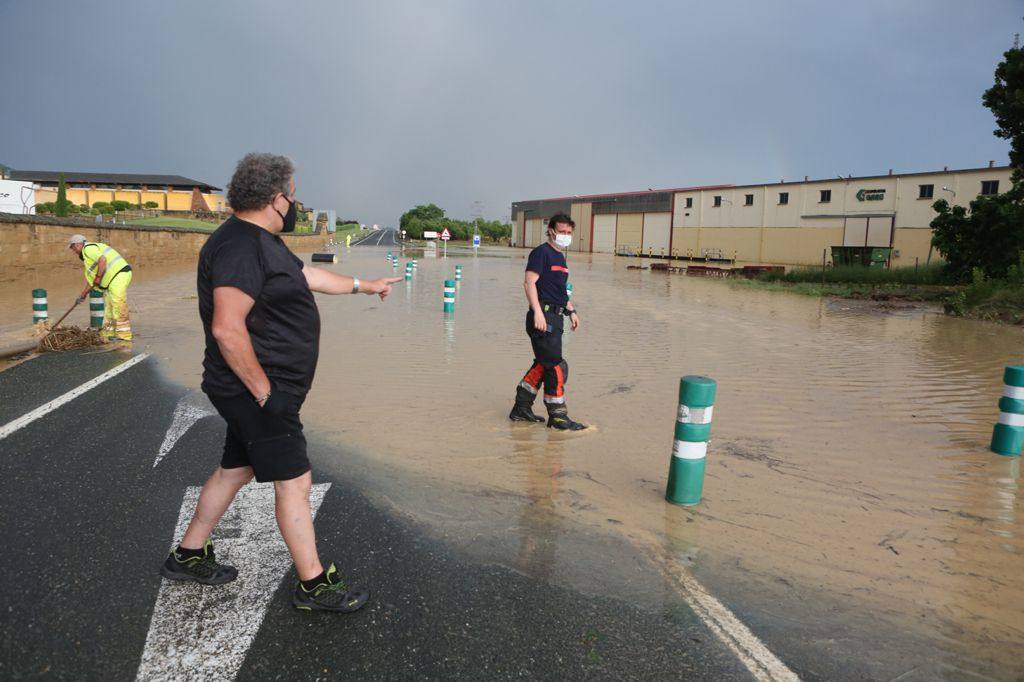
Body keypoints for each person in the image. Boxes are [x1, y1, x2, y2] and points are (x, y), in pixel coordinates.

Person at [158, 153, 401, 613]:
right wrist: (266, 394)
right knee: (295, 481)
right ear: (276, 199)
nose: (296, 203)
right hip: (256, 390)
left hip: (256, 388)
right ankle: (313, 585)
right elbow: (227, 329)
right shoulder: (239, 248)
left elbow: (307, 275)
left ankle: (188, 554)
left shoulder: (262, 242)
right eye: (294, 195)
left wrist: (364, 285)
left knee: (237, 467)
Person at [509, 213, 586, 430]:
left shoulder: (560, 258)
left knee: (544, 364)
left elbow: (559, 291)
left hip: (556, 316)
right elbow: (529, 283)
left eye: (569, 233)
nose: (565, 236)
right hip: (542, 318)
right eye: (562, 232)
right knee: (556, 366)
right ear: (551, 230)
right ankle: (558, 416)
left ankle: (521, 408)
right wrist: (537, 313)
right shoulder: (541, 253)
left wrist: (572, 311)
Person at [68, 235, 133, 341]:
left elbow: (102, 259)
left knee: (118, 304)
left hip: (119, 274)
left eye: (72, 247)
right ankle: (108, 333)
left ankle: (124, 336)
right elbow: (91, 282)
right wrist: (83, 295)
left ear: (78, 245)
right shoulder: (87, 259)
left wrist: (98, 277)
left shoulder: (88, 248)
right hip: (112, 281)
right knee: (109, 308)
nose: (73, 251)